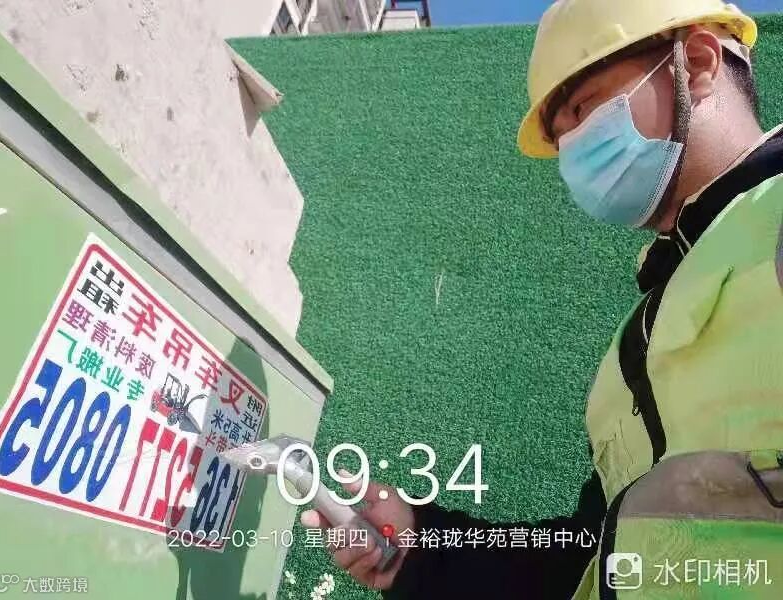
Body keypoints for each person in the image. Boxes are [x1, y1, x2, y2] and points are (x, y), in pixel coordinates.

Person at [302, 0, 783, 597]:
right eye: (562, 139)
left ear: (699, 61)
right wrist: (425, 553)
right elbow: (592, 552)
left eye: (583, 108)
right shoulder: (640, 338)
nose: (576, 150)